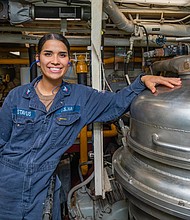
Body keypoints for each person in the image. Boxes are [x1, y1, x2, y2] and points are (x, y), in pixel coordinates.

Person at [0, 33, 181, 220]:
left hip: (43, 187)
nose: (55, 61)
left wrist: (141, 81)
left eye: (62, 55)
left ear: (68, 61)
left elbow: (116, 103)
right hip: (7, 184)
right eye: (48, 54)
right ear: (38, 59)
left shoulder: (80, 97)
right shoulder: (17, 96)